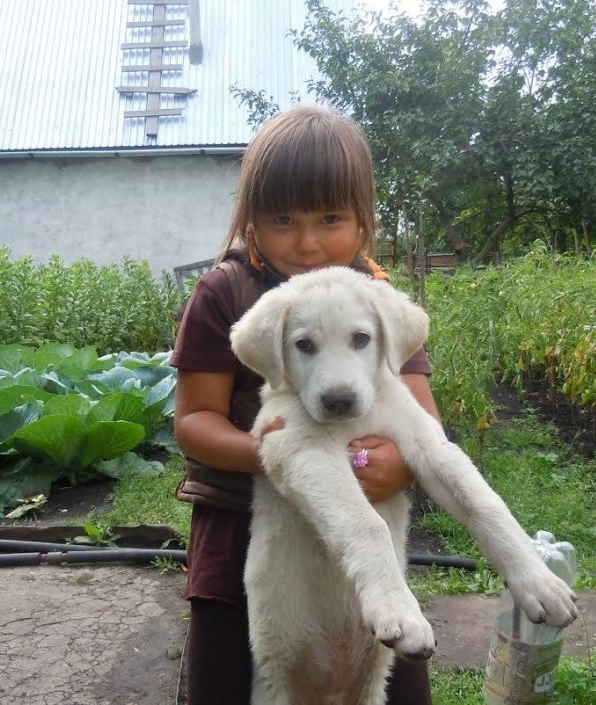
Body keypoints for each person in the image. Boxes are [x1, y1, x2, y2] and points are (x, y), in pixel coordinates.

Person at [171, 104, 439, 704]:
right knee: (232, 682)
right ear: (252, 220)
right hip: (242, 524)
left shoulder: (373, 301)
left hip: (363, 530)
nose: (310, 241)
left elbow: (423, 417)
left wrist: (394, 465)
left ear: (364, 220)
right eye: (284, 218)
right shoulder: (226, 292)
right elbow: (195, 422)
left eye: (331, 217)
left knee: (395, 681)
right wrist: (286, 460)